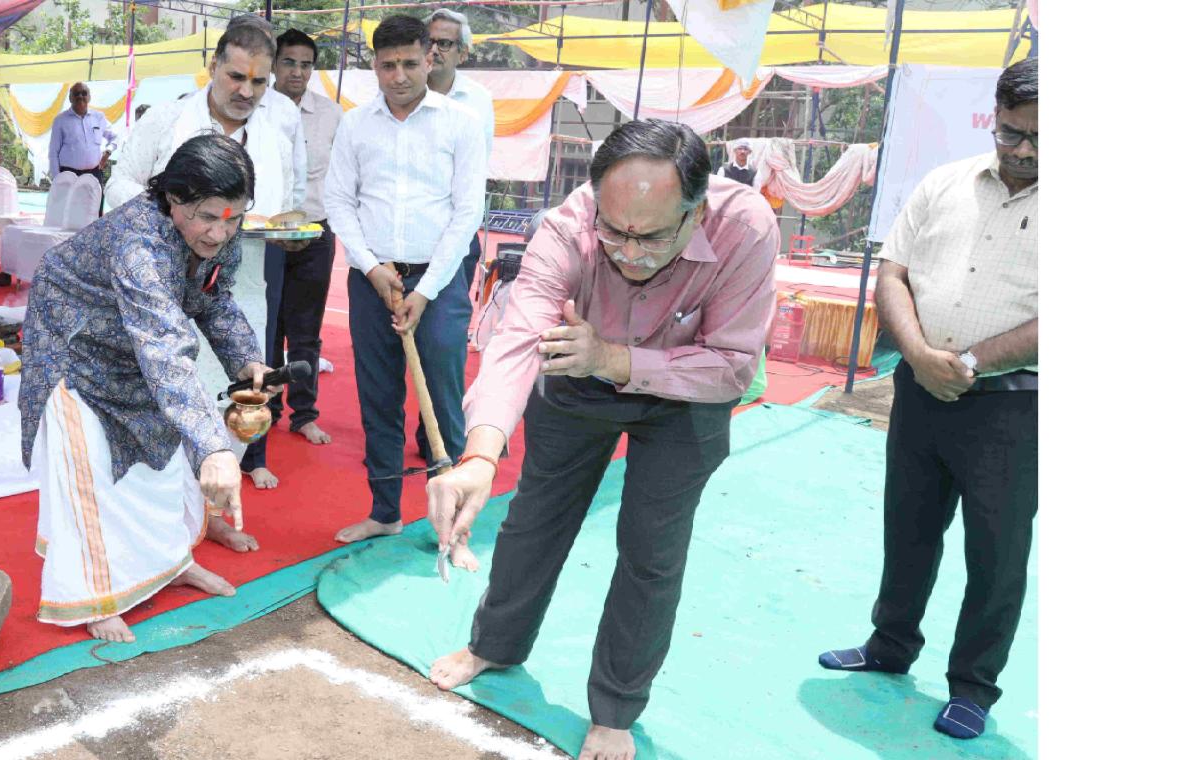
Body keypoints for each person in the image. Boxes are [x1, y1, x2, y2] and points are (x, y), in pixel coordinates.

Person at [423, 119, 777, 760]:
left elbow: (731, 365)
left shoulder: (746, 225)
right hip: (575, 375)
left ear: (696, 212)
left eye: (652, 235)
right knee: (534, 521)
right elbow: (522, 335)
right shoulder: (566, 225)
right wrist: (480, 453)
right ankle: (493, 645)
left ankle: (615, 707)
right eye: (612, 231)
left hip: (685, 396)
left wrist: (616, 360)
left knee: (651, 550)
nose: (628, 252)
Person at [816, 58, 1039, 742]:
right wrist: (916, 355)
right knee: (908, 528)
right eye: (1012, 132)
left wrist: (969, 362)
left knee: (995, 552)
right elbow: (894, 269)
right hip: (919, 392)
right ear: (993, 116)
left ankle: (973, 686)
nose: (1025, 149)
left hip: (1013, 406)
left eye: (1043, 137)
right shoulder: (944, 182)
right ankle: (890, 645)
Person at [21, 133, 275, 644]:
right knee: (90, 472)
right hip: (74, 345)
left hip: (132, 343)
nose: (221, 231)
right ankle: (94, 594)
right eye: (207, 217)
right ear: (175, 198)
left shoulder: (221, 217)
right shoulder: (139, 245)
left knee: (160, 465)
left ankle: (172, 562)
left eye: (232, 217)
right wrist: (215, 449)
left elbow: (214, 298)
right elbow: (164, 348)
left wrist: (247, 360)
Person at [109, 13, 305, 505]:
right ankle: (163, 518)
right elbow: (119, 185)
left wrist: (287, 230)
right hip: (164, 292)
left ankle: (208, 511)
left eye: (260, 81)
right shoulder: (168, 120)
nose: (247, 90)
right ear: (213, 65)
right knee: (164, 398)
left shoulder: (278, 131)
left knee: (236, 399)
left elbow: (288, 204)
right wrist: (172, 219)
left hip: (241, 292)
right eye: (236, 76)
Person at [325, 15, 486, 547]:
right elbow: (338, 202)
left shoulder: (459, 122)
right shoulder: (355, 124)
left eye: (410, 63)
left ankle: (454, 525)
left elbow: (467, 214)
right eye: (387, 65)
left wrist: (423, 290)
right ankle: (385, 511)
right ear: (374, 64)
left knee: (442, 396)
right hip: (372, 281)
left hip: (436, 285)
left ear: (430, 59)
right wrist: (371, 268)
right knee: (378, 398)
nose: (398, 76)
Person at [238, 28, 344, 490]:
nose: (297, 72)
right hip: (263, 238)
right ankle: (258, 428)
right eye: (289, 63)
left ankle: (303, 413)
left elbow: (335, 177)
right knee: (265, 333)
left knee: (305, 332)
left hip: (314, 232)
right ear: (272, 64)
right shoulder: (253, 107)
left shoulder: (331, 115)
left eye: (305, 64)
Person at [424, 8, 495, 291]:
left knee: (446, 328)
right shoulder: (399, 92)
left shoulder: (477, 100)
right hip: (407, 229)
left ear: (462, 54)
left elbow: (477, 167)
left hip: (457, 231)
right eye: (429, 41)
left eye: (444, 44)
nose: (434, 50)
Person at [47, 82, 113, 179]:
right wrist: (57, 179)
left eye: (84, 93)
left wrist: (108, 151)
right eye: (76, 93)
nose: (80, 96)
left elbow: (114, 137)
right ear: (70, 98)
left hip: (94, 174)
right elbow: (53, 152)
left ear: (89, 97)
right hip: (68, 175)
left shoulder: (99, 117)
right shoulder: (60, 120)